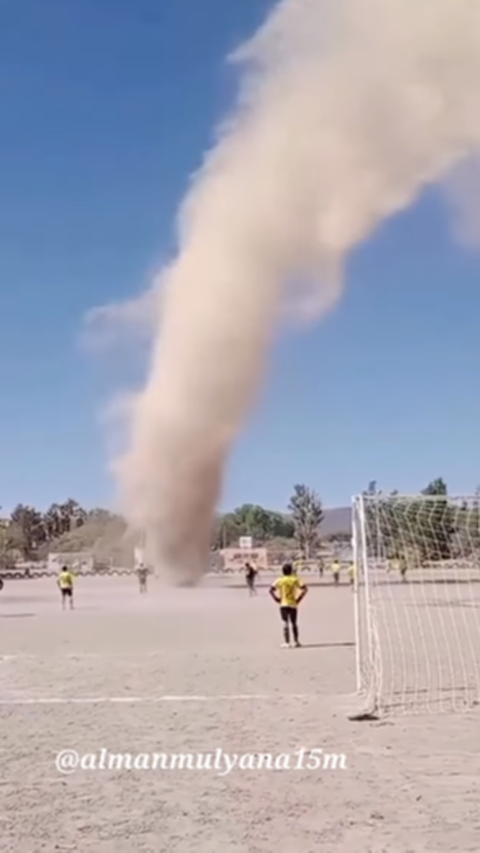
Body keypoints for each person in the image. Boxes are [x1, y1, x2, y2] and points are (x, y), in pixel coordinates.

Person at [269, 562, 308, 648]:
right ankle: (296, 641)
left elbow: (271, 590)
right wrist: (299, 599)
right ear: (291, 571)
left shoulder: (280, 580)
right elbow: (305, 589)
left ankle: (287, 642)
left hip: (283, 603)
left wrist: (276, 599)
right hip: (293, 604)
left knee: (285, 623)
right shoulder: (295, 579)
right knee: (294, 623)